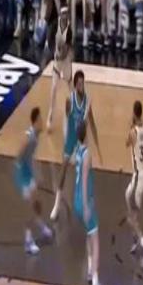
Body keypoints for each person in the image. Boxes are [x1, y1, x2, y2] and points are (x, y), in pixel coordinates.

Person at [50, 70, 101, 221]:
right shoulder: (70, 100)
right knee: (64, 169)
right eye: (79, 84)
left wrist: (97, 146)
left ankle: (85, 204)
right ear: (75, 85)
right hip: (72, 137)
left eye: (83, 83)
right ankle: (56, 205)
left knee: (85, 173)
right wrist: (67, 137)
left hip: (82, 140)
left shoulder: (87, 101)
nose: (81, 86)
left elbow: (92, 123)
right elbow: (67, 119)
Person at [73, 122, 108, 285]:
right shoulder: (87, 154)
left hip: (76, 199)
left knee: (88, 235)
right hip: (85, 201)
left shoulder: (77, 152)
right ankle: (95, 283)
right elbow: (85, 180)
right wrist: (87, 206)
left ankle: (89, 269)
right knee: (96, 242)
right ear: (86, 134)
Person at [14, 107, 53, 254]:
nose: (42, 122)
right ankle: (28, 242)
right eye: (40, 120)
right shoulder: (30, 137)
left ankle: (42, 227)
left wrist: (36, 172)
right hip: (23, 176)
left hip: (28, 174)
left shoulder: (36, 137)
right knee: (30, 209)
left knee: (38, 204)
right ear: (35, 121)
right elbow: (20, 156)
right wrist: (25, 173)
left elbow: (30, 157)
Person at [125, 100, 143, 259]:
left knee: (132, 217)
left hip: (138, 175)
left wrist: (131, 125)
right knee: (128, 197)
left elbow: (126, 143)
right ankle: (136, 239)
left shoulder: (133, 132)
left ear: (134, 113)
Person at [46, 3, 72, 130]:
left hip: (65, 60)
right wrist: (53, 52)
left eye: (66, 13)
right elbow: (50, 41)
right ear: (60, 15)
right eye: (63, 13)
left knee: (70, 85)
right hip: (57, 61)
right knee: (54, 87)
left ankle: (77, 110)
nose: (65, 16)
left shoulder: (69, 30)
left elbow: (66, 49)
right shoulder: (54, 26)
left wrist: (60, 55)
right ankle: (50, 114)